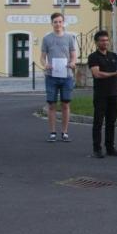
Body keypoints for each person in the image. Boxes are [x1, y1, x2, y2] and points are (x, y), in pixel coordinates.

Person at [87, 30, 117, 159]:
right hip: (101, 94)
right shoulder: (93, 57)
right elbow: (97, 74)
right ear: (97, 42)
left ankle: (110, 148)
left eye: (107, 40)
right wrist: (115, 73)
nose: (105, 43)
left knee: (111, 122)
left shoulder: (114, 56)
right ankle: (97, 149)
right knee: (98, 122)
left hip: (113, 93)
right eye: (102, 40)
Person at [41, 12, 77, 143]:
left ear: (63, 23)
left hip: (66, 76)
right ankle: (52, 132)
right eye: (55, 22)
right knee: (51, 105)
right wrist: (45, 64)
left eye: (60, 22)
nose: (58, 24)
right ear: (52, 23)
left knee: (65, 104)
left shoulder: (69, 38)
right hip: (51, 76)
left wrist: (72, 63)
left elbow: (73, 55)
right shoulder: (47, 39)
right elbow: (42, 57)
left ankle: (65, 132)